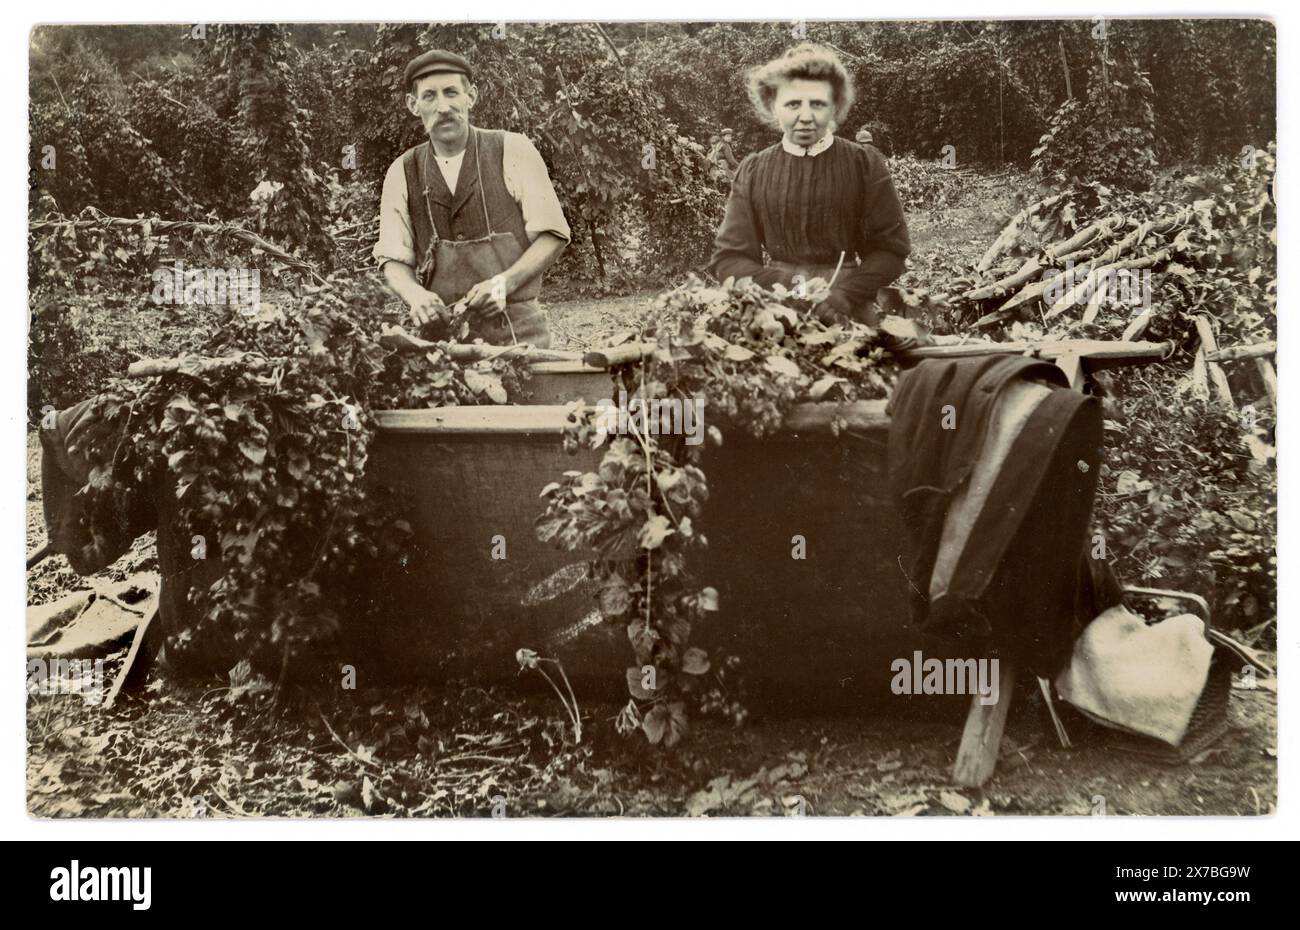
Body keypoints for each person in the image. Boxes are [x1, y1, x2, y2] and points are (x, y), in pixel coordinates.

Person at [374, 49, 570, 347]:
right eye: (429, 96)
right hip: (441, 345)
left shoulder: (513, 150)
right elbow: (392, 259)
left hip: (518, 336)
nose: (443, 107)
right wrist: (416, 295)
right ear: (413, 105)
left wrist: (504, 283)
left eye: (452, 92)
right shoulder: (402, 171)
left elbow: (552, 235)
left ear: (471, 97)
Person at [709, 44, 910, 326]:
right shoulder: (753, 170)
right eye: (792, 104)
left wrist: (843, 295)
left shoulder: (863, 164)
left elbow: (891, 250)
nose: (805, 116)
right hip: (776, 310)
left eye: (817, 103)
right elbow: (729, 258)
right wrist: (796, 288)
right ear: (773, 106)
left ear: (835, 107)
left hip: (849, 308)